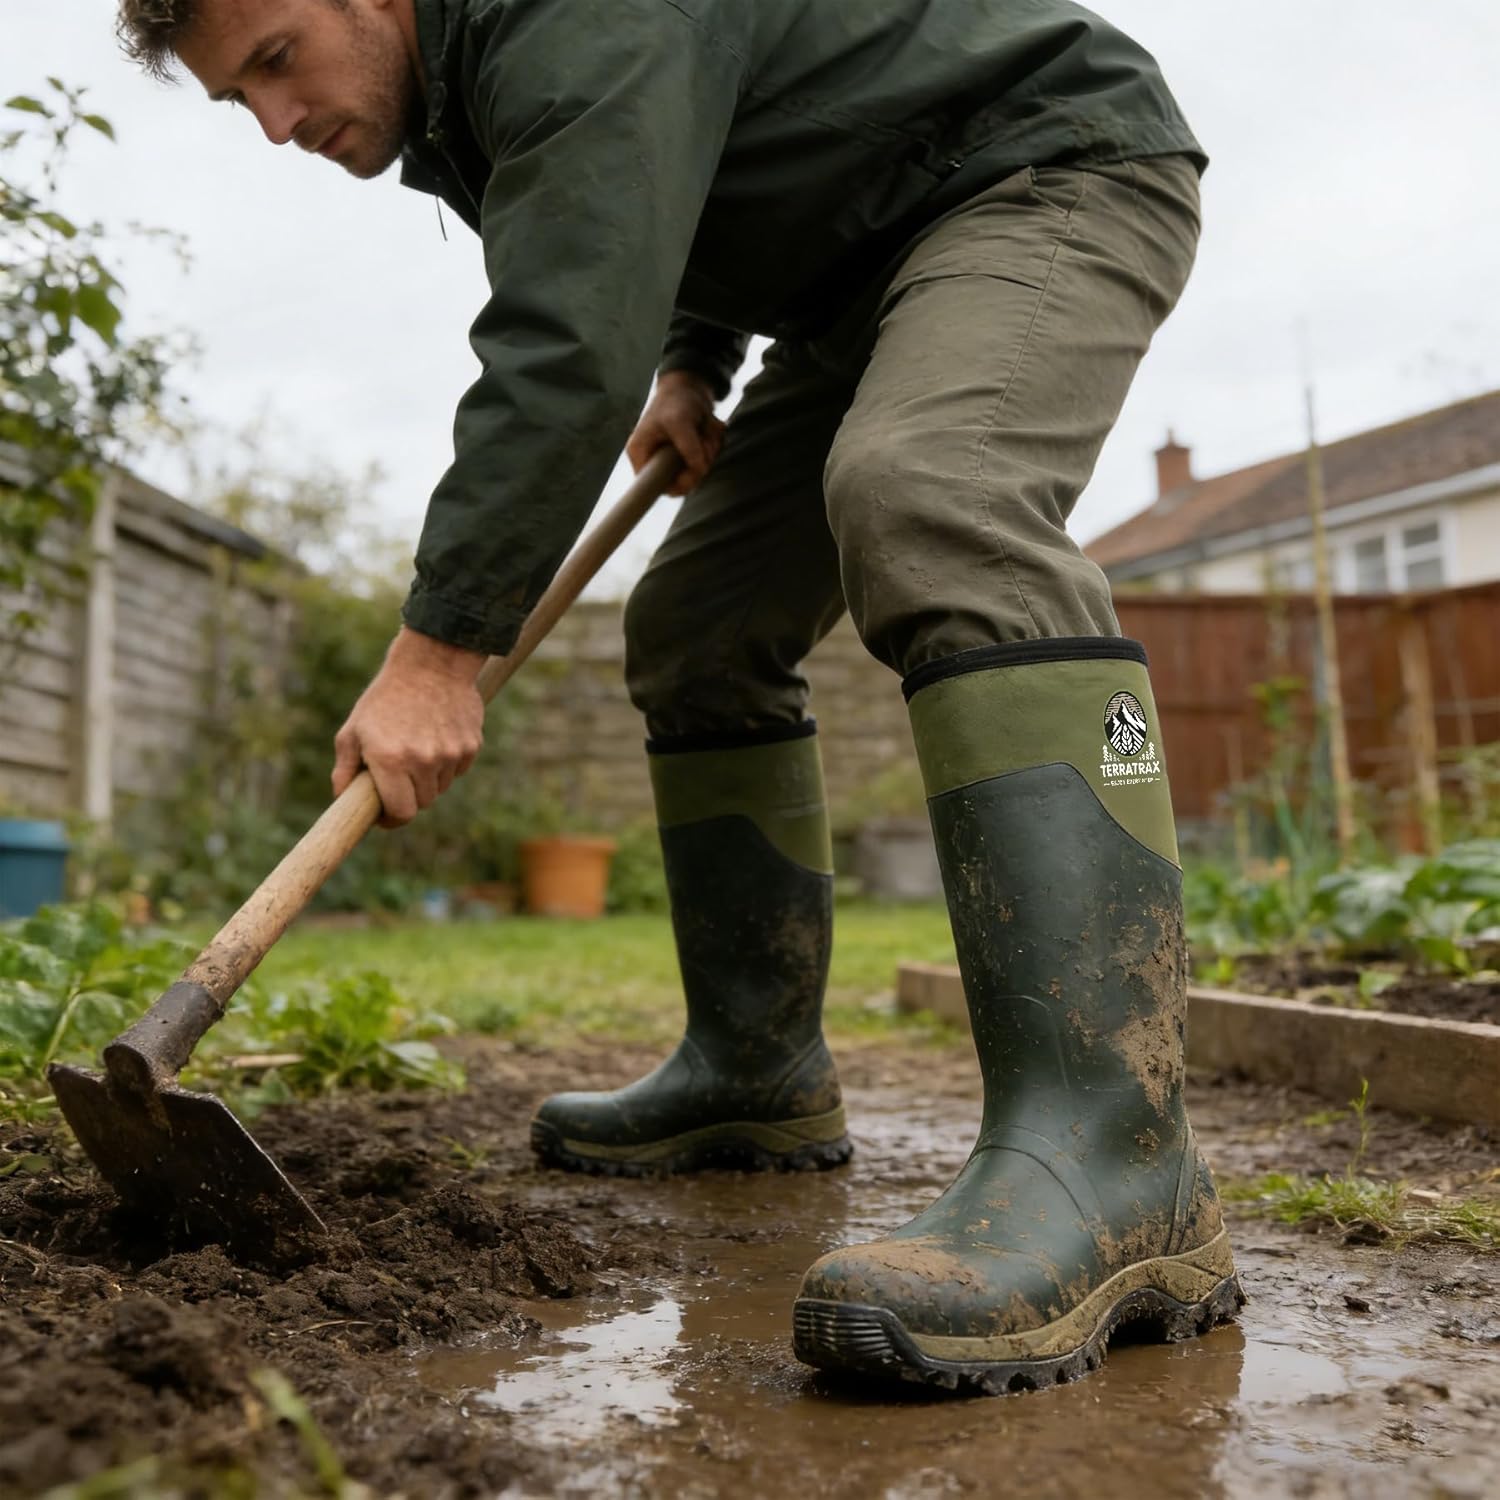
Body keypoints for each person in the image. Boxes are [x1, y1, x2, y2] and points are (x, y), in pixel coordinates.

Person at [119, 0, 1242, 1394]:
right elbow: (680, 170)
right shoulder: (470, 76)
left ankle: (1119, 1154)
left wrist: (440, 649)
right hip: (847, 280)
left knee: (933, 492)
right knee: (700, 627)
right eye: (239, 100)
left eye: (279, 60)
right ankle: (755, 1070)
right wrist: (696, 359)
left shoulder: (561, 17)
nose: (278, 125)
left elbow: (565, 339)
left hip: (1032, 170)